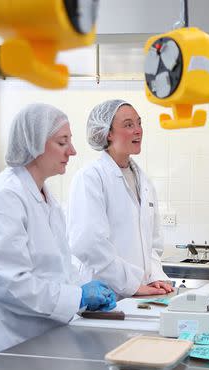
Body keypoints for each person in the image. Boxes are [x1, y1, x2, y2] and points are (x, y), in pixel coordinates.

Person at [0, 103, 117, 366]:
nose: (72, 151)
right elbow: (8, 285)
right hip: (4, 346)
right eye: (62, 142)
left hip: (39, 341)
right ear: (34, 143)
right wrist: (77, 296)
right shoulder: (1, 197)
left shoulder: (45, 198)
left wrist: (80, 289)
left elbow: (56, 268)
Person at [68, 100, 173, 298]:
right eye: (128, 125)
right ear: (108, 133)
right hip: (104, 296)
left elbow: (152, 243)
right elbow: (88, 243)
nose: (138, 130)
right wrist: (131, 284)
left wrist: (154, 277)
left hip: (139, 294)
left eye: (139, 123)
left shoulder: (144, 182)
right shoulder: (91, 178)